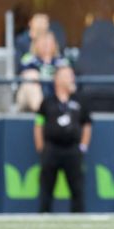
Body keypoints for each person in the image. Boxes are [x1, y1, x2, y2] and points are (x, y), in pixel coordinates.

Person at [33, 66, 92, 213]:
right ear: (58, 80)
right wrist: (41, 148)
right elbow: (38, 124)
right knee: (46, 189)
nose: (72, 79)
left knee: (77, 189)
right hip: (52, 148)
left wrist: (83, 146)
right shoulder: (47, 102)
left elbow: (87, 124)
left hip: (72, 149)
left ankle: (78, 222)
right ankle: (44, 219)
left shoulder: (80, 100)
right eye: (68, 75)